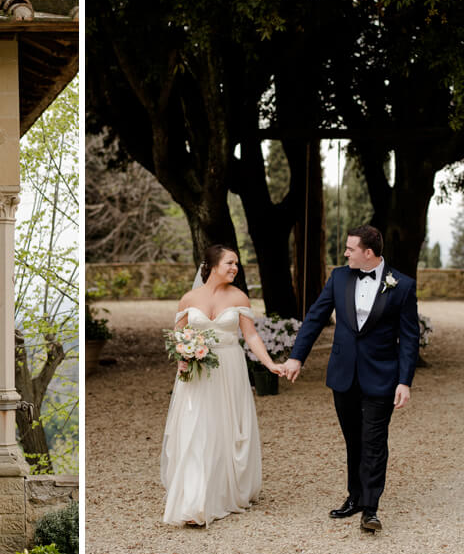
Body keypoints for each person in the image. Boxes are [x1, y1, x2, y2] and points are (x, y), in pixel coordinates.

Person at [282, 225, 419, 532]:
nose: (345, 253)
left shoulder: (403, 285)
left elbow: (410, 338)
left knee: (373, 441)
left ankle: (370, 509)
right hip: (343, 374)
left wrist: (404, 381)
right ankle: (355, 496)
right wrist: (296, 357)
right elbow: (316, 317)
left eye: (349, 249)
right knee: (353, 440)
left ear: (367, 252)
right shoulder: (339, 277)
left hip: (382, 375)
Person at [161, 244, 284, 526]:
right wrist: (182, 356)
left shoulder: (239, 296)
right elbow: (177, 336)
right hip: (197, 372)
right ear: (213, 265)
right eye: (230, 263)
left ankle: (226, 489)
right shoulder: (189, 298)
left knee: (227, 427)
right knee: (196, 428)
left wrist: (269, 364)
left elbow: (250, 336)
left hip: (230, 368)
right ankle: (194, 502)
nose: (235, 268)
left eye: (237, 264)